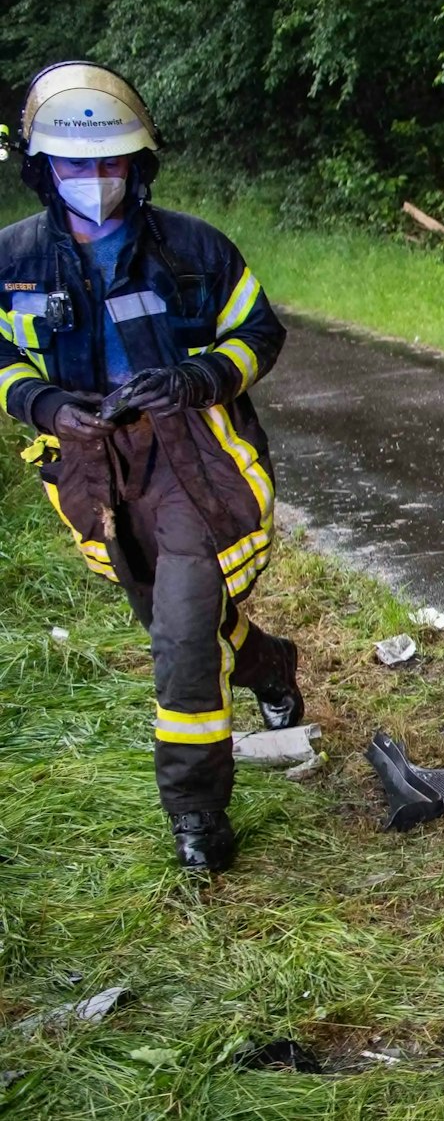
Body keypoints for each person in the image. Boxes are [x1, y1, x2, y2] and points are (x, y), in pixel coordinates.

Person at [0, 62, 298, 874]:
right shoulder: (13, 259)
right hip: (93, 466)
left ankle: (197, 816)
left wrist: (199, 378)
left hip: (190, 455)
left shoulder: (195, 247)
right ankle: (271, 665)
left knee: (182, 636)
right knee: (171, 620)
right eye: (75, 163)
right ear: (42, 168)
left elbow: (258, 331)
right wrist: (42, 403)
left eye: (111, 160)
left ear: (139, 163)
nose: (94, 178)